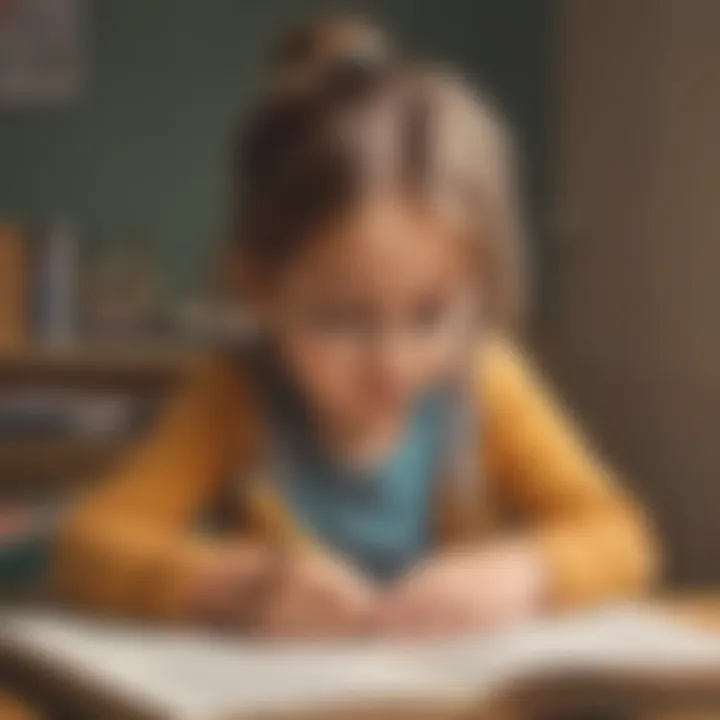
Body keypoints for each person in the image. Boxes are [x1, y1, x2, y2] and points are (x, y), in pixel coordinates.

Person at [53, 16, 656, 638]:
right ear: (259, 284)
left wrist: (523, 572)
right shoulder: (235, 395)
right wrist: (241, 585)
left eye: (430, 314)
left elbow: (619, 535)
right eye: (341, 319)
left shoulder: (484, 383)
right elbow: (89, 544)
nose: (392, 362)